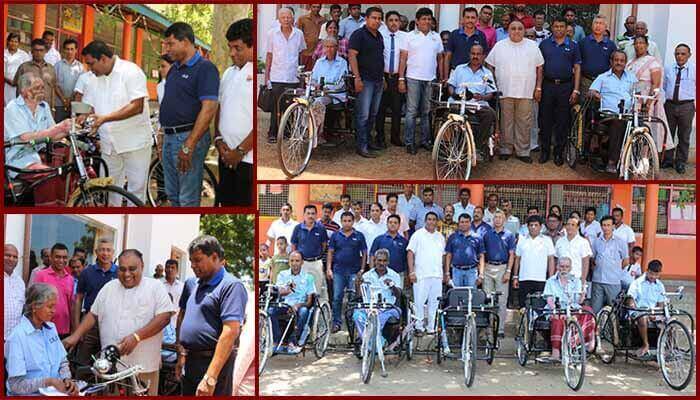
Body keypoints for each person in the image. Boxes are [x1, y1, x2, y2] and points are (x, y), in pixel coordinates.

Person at [63, 249, 175, 395]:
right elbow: (93, 314)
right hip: (110, 369)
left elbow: (164, 317)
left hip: (143, 368)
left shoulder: (155, 287)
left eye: (132, 269)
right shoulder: (109, 288)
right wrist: (75, 336)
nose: (127, 274)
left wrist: (137, 337)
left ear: (142, 265)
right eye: (122, 269)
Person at [80, 40, 152, 205]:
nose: (89, 68)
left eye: (91, 64)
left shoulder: (131, 72)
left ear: (104, 59)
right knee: (110, 190)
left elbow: (137, 106)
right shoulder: (93, 79)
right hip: (108, 146)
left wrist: (105, 118)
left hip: (135, 143)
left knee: (136, 192)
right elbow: (88, 107)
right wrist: (83, 117)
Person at [175, 236, 247, 396]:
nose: (193, 265)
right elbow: (182, 316)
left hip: (214, 364)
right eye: (191, 261)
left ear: (214, 257)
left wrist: (210, 377)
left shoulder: (231, 286)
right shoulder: (191, 284)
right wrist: (181, 352)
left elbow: (230, 332)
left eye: (198, 260)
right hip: (190, 361)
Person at [161, 23, 220, 207]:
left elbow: (209, 108)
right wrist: (163, 135)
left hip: (187, 138)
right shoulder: (174, 69)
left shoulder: (205, 68)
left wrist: (189, 144)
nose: (167, 49)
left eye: (170, 44)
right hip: (170, 137)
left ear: (185, 42)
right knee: (172, 194)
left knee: (187, 198)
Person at [4, 72, 72, 206]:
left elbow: (53, 136)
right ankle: (49, 209)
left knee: (69, 168)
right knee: (47, 175)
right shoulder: (13, 108)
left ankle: (65, 204)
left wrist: (67, 130)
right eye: (37, 88)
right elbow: (26, 137)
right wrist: (56, 129)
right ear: (25, 91)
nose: (42, 91)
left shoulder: (44, 106)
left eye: (43, 87)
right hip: (19, 158)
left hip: (41, 154)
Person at [486, 19, 544, 163]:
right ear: (508, 30)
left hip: (526, 91)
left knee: (524, 122)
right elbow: (489, 65)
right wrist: (493, 84)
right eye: (513, 28)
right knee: (506, 122)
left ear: (524, 31)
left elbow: (540, 67)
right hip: (505, 90)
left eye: (519, 28)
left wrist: (538, 87)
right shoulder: (500, 46)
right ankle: (506, 148)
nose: (516, 31)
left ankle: (523, 151)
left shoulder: (533, 46)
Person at [6, 283, 79, 396]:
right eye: (50, 306)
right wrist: (48, 382)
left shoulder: (51, 328)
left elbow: (62, 362)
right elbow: (15, 385)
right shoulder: (18, 337)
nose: (54, 311)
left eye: (55, 306)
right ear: (35, 306)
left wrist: (66, 379)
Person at [214, 19, 254, 207]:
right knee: (226, 203)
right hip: (225, 156)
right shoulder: (228, 73)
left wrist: (239, 151)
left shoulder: (258, 75)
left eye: (237, 48)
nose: (232, 53)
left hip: (247, 161)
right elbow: (219, 107)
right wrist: (219, 140)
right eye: (230, 47)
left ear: (252, 46)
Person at [399, 8, 444, 155]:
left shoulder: (436, 37)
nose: (427, 21)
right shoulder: (409, 36)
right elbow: (403, 58)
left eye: (429, 19)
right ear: (417, 21)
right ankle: (409, 142)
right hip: (412, 78)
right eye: (423, 19)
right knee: (411, 111)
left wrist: (442, 77)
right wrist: (401, 78)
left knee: (426, 111)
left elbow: (440, 58)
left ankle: (425, 141)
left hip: (430, 79)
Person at [71, 239, 118, 378]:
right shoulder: (87, 272)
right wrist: (77, 327)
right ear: (96, 252)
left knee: (108, 363)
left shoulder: (119, 273)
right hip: (89, 323)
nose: (105, 253)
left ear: (113, 253)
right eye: (102, 249)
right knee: (83, 362)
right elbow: (78, 299)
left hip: (112, 322)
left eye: (108, 250)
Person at [538, 17, 582, 166]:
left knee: (563, 121)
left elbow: (577, 68)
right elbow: (540, 68)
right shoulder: (544, 44)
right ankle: (545, 152)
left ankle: (558, 153)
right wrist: (538, 87)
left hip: (565, 86)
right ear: (552, 27)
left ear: (566, 28)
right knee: (545, 120)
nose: (558, 29)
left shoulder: (574, 45)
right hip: (548, 85)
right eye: (555, 26)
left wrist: (576, 90)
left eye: (561, 26)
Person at [589, 50, 638, 173]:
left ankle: (640, 160)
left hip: (628, 114)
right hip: (608, 115)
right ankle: (612, 161)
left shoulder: (632, 78)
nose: (619, 63)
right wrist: (596, 94)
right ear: (611, 62)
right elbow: (591, 91)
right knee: (618, 123)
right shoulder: (603, 77)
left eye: (622, 61)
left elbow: (638, 93)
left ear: (625, 63)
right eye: (616, 60)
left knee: (643, 126)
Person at [626, 35, 673, 157]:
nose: (638, 45)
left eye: (641, 43)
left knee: (645, 128)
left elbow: (656, 84)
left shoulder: (653, 62)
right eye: (636, 43)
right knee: (631, 128)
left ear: (647, 45)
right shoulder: (630, 62)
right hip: (631, 99)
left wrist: (648, 104)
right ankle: (630, 158)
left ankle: (644, 159)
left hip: (646, 101)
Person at [264, 8, 306, 144]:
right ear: (279, 19)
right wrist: (267, 76)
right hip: (277, 75)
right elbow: (269, 55)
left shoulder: (298, 34)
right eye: (283, 17)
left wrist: (300, 73)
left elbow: (300, 54)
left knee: (291, 105)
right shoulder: (272, 34)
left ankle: (288, 131)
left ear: (293, 19)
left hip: (293, 76)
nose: (286, 20)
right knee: (276, 106)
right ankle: (273, 133)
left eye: (289, 17)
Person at [446, 44, 498, 152]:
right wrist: (454, 94)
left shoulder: (487, 73)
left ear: (483, 56)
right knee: (451, 112)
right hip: (459, 101)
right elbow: (451, 85)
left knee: (489, 114)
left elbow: (491, 93)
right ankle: (456, 146)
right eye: (473, 54)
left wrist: (482, 97)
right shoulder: (459, 69)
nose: (475, 56)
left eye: (478, 54)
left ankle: (477, 147)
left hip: (478, 104)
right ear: (469, 55)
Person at [543, 257, 596, 361]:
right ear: (557, 267)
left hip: (572, 309)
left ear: (570, 268)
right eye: (562, 266)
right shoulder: (551, 281)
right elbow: (549, 300)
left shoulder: (576, 281)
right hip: (556, 308)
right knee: (557, 319)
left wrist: (582, 295)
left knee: (588, 310)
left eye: (567, 267)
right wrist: (556, 310)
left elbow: (579, 301)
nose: (564, 269)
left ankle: (587, 342)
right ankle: (556, 351)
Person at [348, 6, 384, 158]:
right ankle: (361, 146)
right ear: (367, 18)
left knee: (372, 114)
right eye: (374, 18)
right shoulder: (359, 35)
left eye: (379, 18)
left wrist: (382, 78)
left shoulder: (379, 36)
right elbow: (352, 55)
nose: (377, 21)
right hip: (365, 80)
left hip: (377, 80)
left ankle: (368, 142)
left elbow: (379, 57)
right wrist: (357, 78)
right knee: (363, 114)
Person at [327, 212, 367, 332]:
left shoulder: (359, 235)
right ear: (341, 221)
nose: (347, 223)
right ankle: (336, 322)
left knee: (353, 297)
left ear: (353, 221)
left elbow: (364, 252)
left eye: (349, 221)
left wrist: (362, 269)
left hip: (354, 271)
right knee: (337, 297)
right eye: (344, 221)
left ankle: (352, 323)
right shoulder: (335, 235)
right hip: (338, 271)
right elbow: (330, 252)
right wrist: (329, 268)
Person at [269, 251, 316, 354]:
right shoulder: (282, 274)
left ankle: (293, 341)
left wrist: (297, 305)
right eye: (292, 261)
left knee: (304, 312)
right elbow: (279, 292)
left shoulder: (308, 278)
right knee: (271, 311)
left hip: (300, 305)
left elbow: (309, 302)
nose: (294, 263)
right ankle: (277, 341)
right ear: (289, 262)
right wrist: (287, 290)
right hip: (285, 304)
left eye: (297, 261)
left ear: (302, 262)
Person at [352, 248, 402, 343]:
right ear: (374, 261)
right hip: (369, 308)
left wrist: (392, 286)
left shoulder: (394, 275)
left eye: (384, 261)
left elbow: (399, 295)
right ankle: (370, 343)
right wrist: (357, 284)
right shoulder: (367, 276)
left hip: (387, 309)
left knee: (377, 321)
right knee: (357, 315)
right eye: (379, 260)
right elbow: (359, 296)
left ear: (388, 262)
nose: (381, 263)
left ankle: (374, 343)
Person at [407, 212, 445, 335]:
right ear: (425, 220)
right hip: (421, 275)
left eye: (434, 219)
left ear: (437, 222)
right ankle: (419, 326)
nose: (431, 222)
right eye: (429, 219)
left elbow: (443, 256)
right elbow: (410, 253)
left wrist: (443, 272)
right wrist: (411, 271)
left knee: (434, 303)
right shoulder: (417, 235)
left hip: (437, 275)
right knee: (419, 302)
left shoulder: (440, 236)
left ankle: (431, 327)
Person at [376, 11, 407, 148]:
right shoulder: (380, 35)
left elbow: (403, 58)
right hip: (382, 76)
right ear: (386, 22)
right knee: (380, 108)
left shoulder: (405, 37)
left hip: (396, 77)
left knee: (396, 108)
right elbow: (378, 57)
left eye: (396, 20)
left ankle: (395, 137)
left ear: (400, 22)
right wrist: (381, 77)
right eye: (391, 20)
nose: (394, 23)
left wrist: (401, 79)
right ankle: (380, 137)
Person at [309, 37, 349, 144]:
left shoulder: (342, 62)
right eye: (327, 46)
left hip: (334, 95)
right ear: (323, 48)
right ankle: (304, 130)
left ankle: (317, 133)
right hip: (318, 92)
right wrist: (314, 86)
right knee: (303, 101)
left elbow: (341, 83)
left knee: (318, 102)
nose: (329, 49)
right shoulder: (319, 62)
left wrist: (327, 88)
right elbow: (313, 79)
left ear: (336, 48)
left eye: (332, 47)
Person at [482, 211, 515, 336]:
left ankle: (500, 329)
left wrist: (508, 271)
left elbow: (512, 254)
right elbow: (482, 254)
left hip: (502, 268)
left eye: (500, 217)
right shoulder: (487, 234)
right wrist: (483, 270)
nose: (497, 220)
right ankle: (489, 328)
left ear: (504, 220)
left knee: (501, 300)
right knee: (488, 299)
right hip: (488, 268)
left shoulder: (509, 235)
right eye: (495, 217)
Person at [663, 43, 695, 174]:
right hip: (670, 105)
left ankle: (681, 161)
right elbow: (664, 86)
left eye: (683, 54)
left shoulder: (694, 69)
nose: (680, 56)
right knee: (668, 134)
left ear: (689, 55)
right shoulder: (669, 68)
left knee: (684, 135)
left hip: (687, 106)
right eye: (677, 53)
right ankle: (668, 160)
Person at [512, 215, 555, 307]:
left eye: (536, 225)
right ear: (527, 227)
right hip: (524, 278)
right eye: (531, 225)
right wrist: (515, 276)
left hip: (540, 279)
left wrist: (551, 278)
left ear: (541, 227)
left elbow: (551, 259)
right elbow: (517, 259)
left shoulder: (547, 240)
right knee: (523, 306)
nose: (533, 227)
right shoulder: (522, 240)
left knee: (539, 306)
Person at [627, 259, 666, 358]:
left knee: (670, 321)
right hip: (638, 311)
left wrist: (657, 314)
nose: (653, 277)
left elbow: (661, 303)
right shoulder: (637, 283)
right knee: (643, 318)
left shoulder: (660, 286)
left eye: (656, 275)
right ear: (647, 270)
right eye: (651, 274)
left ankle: (666, 348)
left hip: (653, 312)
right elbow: (630, 300)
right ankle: (645, 345)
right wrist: (636, 308)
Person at [590, 215, 629, 313]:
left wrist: (615, 270)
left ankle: (613, 328)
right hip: (597, 280)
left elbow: (626, 260)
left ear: (613, 227)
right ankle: (597, 328)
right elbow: (593, 259)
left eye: (608, 225)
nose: (606, 227)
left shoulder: (620, 242)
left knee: (613, 310)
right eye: (603, 225)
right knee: (595, 309)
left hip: (613, 281)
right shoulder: (596, 241)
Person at [33, 244, 73, 338]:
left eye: (64, 257)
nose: (61, 260)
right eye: (58, 257)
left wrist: (73, 329)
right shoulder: (41, 275)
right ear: (51, 257)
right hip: (44, 328)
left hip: (64, 330)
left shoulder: (70, 279)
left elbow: (71, 305)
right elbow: (34, 301)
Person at [291, 205, 330, 302]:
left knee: (317, 291)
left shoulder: (321, 228)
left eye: (313, 213)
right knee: (302, 290)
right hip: (302, 264)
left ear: (316, 215)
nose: (310, 216)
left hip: (316, 263)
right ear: (304, 215)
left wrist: (317, 256)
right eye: (308, 213)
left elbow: (324, 245)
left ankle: (317, 313)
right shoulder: (298, 228)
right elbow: (294, 246)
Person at [13, 38, 60, 117]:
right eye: (36, 50)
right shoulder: (24, 67)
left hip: (46, 109)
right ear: (32, 52)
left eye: (41, 50)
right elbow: (19, 90)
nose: (38, 53)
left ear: (45, 52)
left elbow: (53, 88)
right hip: (28, 109)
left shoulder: (51, 68)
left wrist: (52, 108)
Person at [580, 15, 617, 99]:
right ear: (592, 25)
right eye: (596, 23)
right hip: (586, 81)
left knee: (601, 108)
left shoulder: (611, 45)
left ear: (605, 27)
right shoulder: (583, 42)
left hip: (604, 83)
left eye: (601, 23)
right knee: (584, 109)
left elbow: (614, 65)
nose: (598, 26)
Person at [445, 213, 485, 287]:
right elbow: (448, 255)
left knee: (471, 296)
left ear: (470, 223)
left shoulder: (477, 237)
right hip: (456, 271)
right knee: (457, 296)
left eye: (466, 222)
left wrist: (481, 274)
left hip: (472, 272)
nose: (464, 224)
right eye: (462, 222)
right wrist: (447, 273)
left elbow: (481, 256)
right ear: (458, 223)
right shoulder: (453, 237)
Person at [445, 7, 489, 72]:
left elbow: (483, 57)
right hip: (456, 72)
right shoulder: (454, 34)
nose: (470, 20)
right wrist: (446, 78)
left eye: (473, 18)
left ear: (477, 19)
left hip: (475, 73)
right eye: (467, 17)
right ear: (463, 19)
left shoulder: (481, 36)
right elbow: (448, 57)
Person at [554, 216, 592, 288]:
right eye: (568, 224)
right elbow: (556, 260)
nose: (569, 227)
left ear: (577, 227)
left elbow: (586, 263)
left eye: (573, 225)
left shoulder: (583, 242)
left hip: (576, 279)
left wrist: (583, 281)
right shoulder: (560, 241)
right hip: (560, 280)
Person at [53, 38, 83, 122]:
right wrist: (63, 100)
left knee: (73, 129)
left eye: (72, 49)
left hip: (74, 105)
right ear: (63, 50)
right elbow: (54, 84)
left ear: (76, 50)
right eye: (67, 49)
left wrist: (70, 100)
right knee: (58, 129)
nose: (69, 51)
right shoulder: (57, 66)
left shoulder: (80, 67)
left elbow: (80, 87)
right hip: (59, 104)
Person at [370, 214, 409, 279]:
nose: (392, 224)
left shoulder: (404, 241)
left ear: (399, 225)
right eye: (390, 222)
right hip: (381, 274)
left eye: (395, 223)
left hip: (399, 274)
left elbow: (406, 258)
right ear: (387, 224)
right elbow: (372, 256)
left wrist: (407, 274)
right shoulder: (379, 239)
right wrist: (371, 272)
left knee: (398, 289)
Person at [4, 244, 25, 341]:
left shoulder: (20, 282)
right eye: (7, 255)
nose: (11, 259)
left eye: (15, 257)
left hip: (13, 340)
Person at [4, 33, 31, 106]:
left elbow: (28, 70)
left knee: (17, 106)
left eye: (16, 42)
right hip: (5, 84)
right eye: (11, 41)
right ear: (8, 41)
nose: (13, 43)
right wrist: (7, 80)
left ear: (18, 43)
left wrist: (19, 82)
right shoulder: (4, 53)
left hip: (19, 85)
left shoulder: (24, 55)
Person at [298, 4, 326, 71]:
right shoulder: (302, 19)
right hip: (306, 51)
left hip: (319, 52)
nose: (316, 9)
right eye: (314, 7)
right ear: (310, 7)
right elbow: (298, 35)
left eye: (318, 7)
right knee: (305, 73)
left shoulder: (324, 20)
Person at [163, 259, 184, 327]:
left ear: (177, 270)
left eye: (172, 267)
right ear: (165, 269)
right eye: (168, 267)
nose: (170, 270)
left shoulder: (182, 287)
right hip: (160, 325)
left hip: (176, 324)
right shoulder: (158, 285)